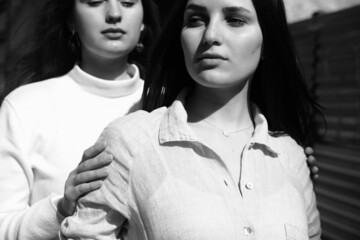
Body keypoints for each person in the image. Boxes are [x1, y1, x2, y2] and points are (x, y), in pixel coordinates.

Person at [60, 0, 323, 239]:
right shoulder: (131, 143)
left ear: (267, 41)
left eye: (234, 20)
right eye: (196, 20)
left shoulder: (291, 156)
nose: (210, 36)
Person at [0, 0, 160, 239]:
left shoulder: (170, 105)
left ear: (144, 21)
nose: (114, 14)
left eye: (127, 2)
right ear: (71, 20)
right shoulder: (25, 106)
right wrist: (61, 208)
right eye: (95, 2)